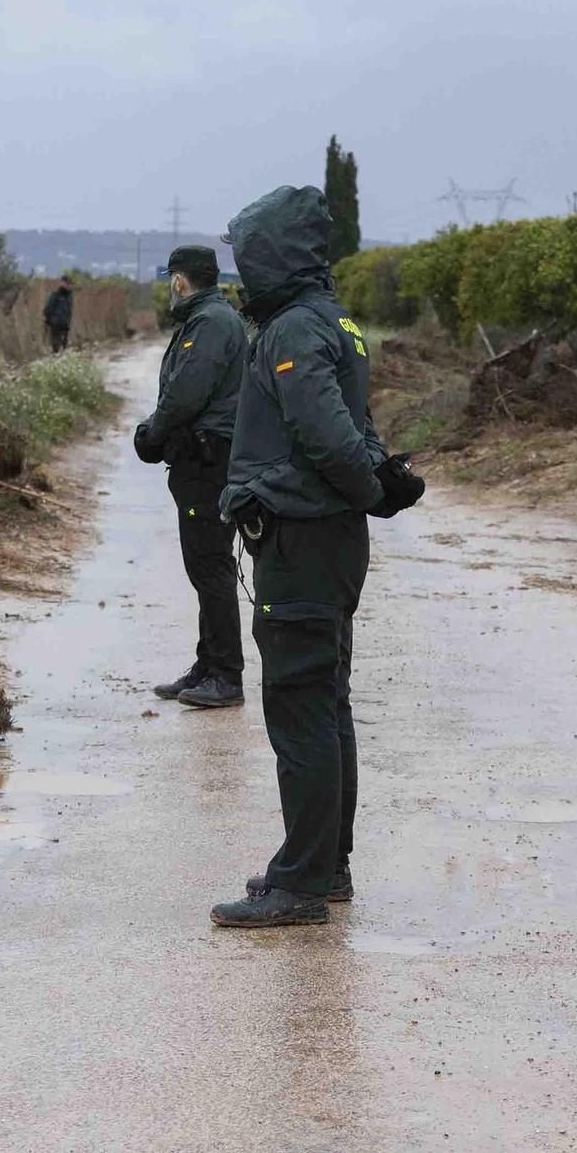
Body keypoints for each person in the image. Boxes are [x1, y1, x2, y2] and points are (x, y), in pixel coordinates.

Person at [209, 186, 424, 929]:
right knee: (326, 702)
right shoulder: (334, 321)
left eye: (249, 254)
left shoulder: (294, 328)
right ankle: (324, 866)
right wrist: (381, 484)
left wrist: (372, 485)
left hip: (302, 541)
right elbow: (355, 428)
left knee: (301, 704)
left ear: (273, 253)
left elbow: (328, 433)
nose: (242, 270)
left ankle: (301, 880)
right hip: (327, 540)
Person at [133, 245, 247, 709]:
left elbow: (185, 394)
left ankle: (225, 674)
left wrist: (152, 433)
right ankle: (208, 665)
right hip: (200, 460)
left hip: (209, 461)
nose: (169, 288)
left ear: (180, 281)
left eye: (170, 280)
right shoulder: (205, 320)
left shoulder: (211, 323)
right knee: (202, 565)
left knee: (211, 565)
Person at [42, 273, 75, 352]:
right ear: (61, 283)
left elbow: (69, 310)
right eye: (66, 283)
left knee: (64, 345)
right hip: (55, 324)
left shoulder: (69, 296)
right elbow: (47, 309)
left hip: (65, 324)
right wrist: (50, 320)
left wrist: (68, 321)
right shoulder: (55, 295)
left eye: (69, 284)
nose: (67, 285)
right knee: (55, 346)